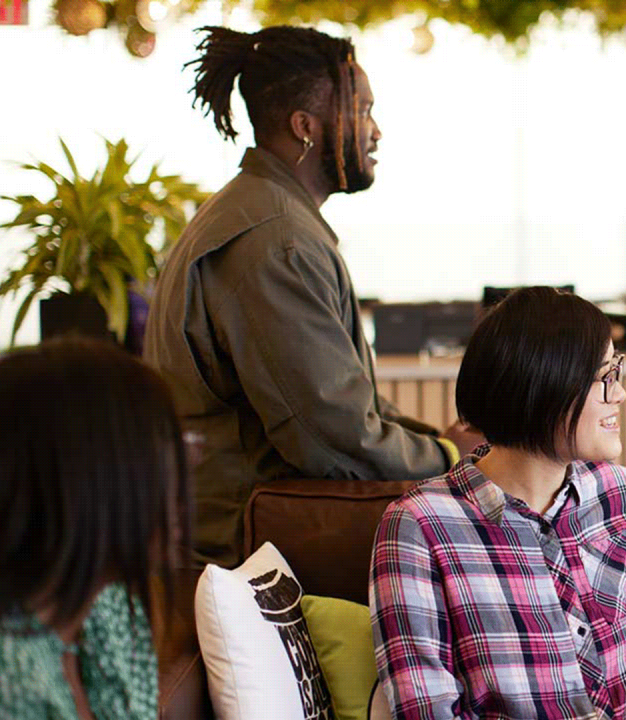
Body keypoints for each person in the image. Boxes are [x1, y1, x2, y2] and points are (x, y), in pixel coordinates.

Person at [145, 25, 478, 567]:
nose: (375, 131)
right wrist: (444, 456)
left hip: (253, 525)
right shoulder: (276, 242)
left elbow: (344, 402)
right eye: (363, 109)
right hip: (246, 544)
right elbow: (333, 439)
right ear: (305, 127)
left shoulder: (264, 213)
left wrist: (437, 441)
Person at [369, 287, 626, 720]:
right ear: (544, 387)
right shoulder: (419, 527)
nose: (620, 394)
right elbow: (425, 710)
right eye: (604, 376)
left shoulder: (623, 497)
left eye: (616, 370)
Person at [0, 338, 192, 719]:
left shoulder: (111, 607)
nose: (183, 484)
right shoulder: (11, 682)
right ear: (92, 479)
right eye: (162, 458)